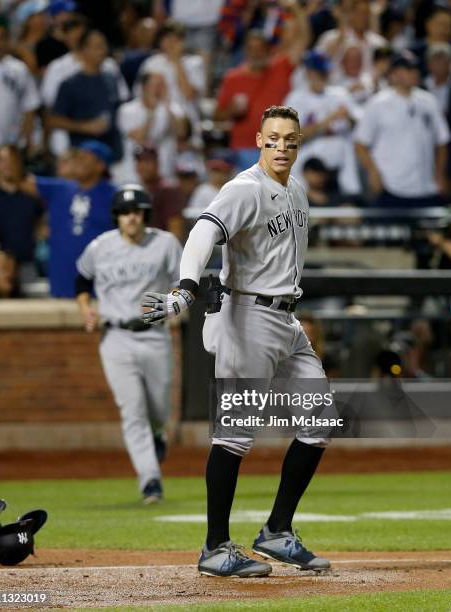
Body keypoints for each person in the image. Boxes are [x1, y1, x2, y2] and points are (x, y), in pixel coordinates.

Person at [141, 105, 331, 577]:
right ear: (259, 140)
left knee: (319, 422)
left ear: (299, 141)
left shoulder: (297, 190)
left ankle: (277, 533)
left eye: (290, 139)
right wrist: (187, 285)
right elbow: (203, 232)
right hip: (247, 319)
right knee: (234, 436)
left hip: (285, 320)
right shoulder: (243, 188)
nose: (281, 146)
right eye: (273, 138)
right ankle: (214, 547)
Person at [75, 184, 182, 504]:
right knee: (132, 409)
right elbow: (81, 280)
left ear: (145, 214)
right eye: (124, 212)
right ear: (116, 217)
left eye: (136, 211)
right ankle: (150, 480)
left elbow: (183, 283)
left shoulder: (164, 243)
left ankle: (158, 434)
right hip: (115, 337)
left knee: (159, 408)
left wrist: (172, 303)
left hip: (154, 334)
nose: (130, 217)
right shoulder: (100, 247)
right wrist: (86, 309)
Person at [214, 3, 309, 171]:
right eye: (251, 49)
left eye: (260, 49)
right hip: (244, 149)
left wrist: (296, 8)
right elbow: (218, 116)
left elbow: (302, 40)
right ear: (245, 51)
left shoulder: (280, 68)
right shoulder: (233, 78)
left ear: (268, 50)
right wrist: (232, 110)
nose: (256, 53)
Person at [355, 51, 450, 206]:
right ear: (394, 73)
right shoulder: (378, 103)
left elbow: (442, 142)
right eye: (407, 69)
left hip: (425, 188)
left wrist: (439, 174)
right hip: (391, 187)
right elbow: (360, 144)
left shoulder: (429, 101)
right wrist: (373, 173)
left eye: (415, 69)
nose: (414, 73)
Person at [22, 140, 115, 297]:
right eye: (77, 157)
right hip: (61, 284)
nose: (77, 162)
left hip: (101, 289)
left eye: (85, 158)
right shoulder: (59, 188)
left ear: (101, 165)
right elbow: (20, 181)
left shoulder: (115, 195)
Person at [285, 50, 361, 197]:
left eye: (324, 73)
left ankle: (349, 197)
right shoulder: (295, 99)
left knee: (348, 145)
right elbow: (291, 137)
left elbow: (361, 124)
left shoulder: (340, 94)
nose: (322, 77)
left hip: (339, 155)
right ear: (308, 73)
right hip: (308, 156)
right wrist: (327, 121)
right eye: (318, 73)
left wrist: (350, 118)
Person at [0, 15, 40, 181]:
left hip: (9, 148)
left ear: (8, 40)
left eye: (1, 38)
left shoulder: (19, 69)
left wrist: (27, 139)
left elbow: (30, 107)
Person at [0, 144, 44, 288]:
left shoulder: (32, 192)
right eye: (2, 160)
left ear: (20, 163)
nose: (7, 165)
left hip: (25, 263)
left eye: (12, 161)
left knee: (30, 307)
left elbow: (43, 221)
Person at [50, 29, 126, 161]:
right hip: (83, 155)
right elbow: (55, 120)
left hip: (111, 152)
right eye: (98, 47)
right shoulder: (70, 84)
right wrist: (85, 126)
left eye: (104, 46)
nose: (103, 50)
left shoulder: (111, 79)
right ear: (84, 50)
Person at [134, 145, 186, 242]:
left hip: (161, 250)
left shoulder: (168, 190)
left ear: (157, 163)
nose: (142, 166)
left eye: (147, 161)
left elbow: (176, 232)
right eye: (139, 161)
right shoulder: (136, 190)